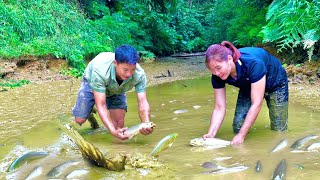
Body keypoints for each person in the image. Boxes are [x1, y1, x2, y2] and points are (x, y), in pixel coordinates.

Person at [203, 41, 288, 144]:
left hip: (275, 83)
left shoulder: (253, 63)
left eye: (218, 68)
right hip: (248, 85)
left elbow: (257, 103)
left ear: (229, 59)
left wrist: (241, 136)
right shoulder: (217, 76)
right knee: (238, 126)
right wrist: (211, 134)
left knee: (279, 128)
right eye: (212, 70)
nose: (216, 73)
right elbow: (219, 107)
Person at [72, 45, 154, 140]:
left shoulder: (139, 75)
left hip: (117, 89)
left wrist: (146, 123)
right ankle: (89, 111)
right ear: (115, 63)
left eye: (132, 69)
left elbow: (142, 102)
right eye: (125, 70)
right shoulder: (100, 70)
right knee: (80, 120)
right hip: (93, 82)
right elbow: (101, 105)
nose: (129, 74)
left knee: (119, 128)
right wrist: (112, 131)